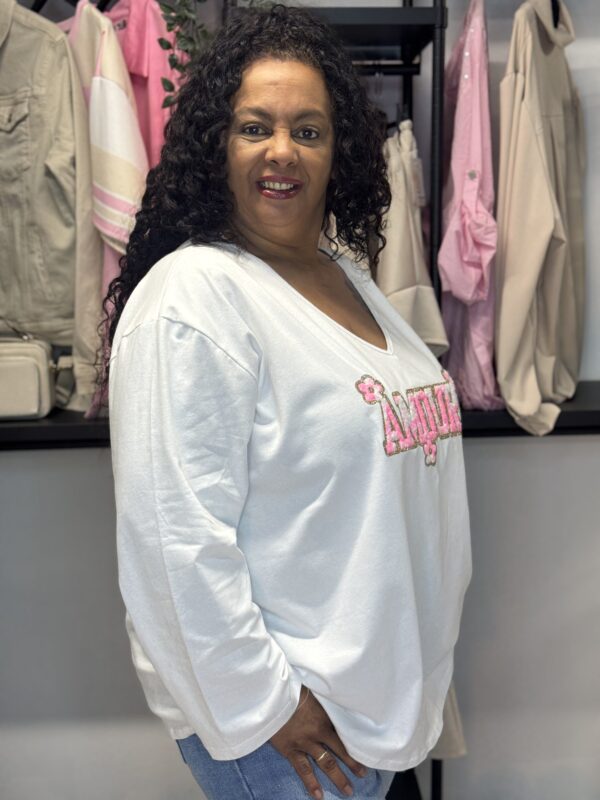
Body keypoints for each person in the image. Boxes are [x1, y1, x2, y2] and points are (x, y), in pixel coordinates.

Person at [105, 5, 472, 799]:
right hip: (291, 734)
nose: (282, 151)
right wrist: (270, 708)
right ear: (217, 144)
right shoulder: (195, 299)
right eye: (254, 128)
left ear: (339, 151)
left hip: (373, 705)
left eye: (309, 130)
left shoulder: (347, 276)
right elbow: (173, 542)